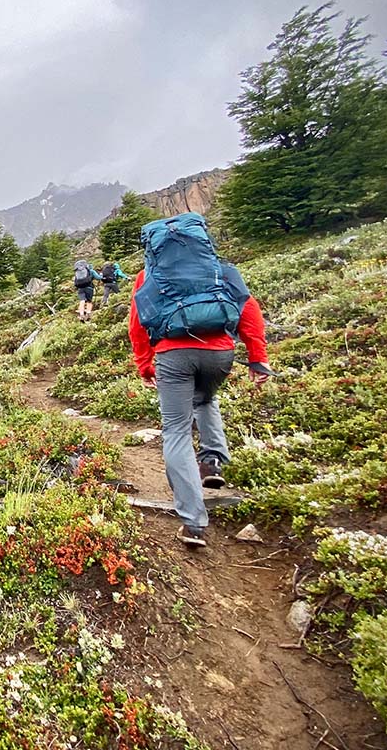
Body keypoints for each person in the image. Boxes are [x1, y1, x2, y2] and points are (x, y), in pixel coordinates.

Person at [127, 213, 273, 547]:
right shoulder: (217, 267)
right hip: (220, 353)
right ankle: (212, 462)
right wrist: (257, 358)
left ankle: (194, 524)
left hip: (173, 356)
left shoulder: (148, 275)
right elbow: (249, 311)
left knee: (176, 432)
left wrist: (145, 364)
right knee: (206, 399)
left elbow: (137, 325)